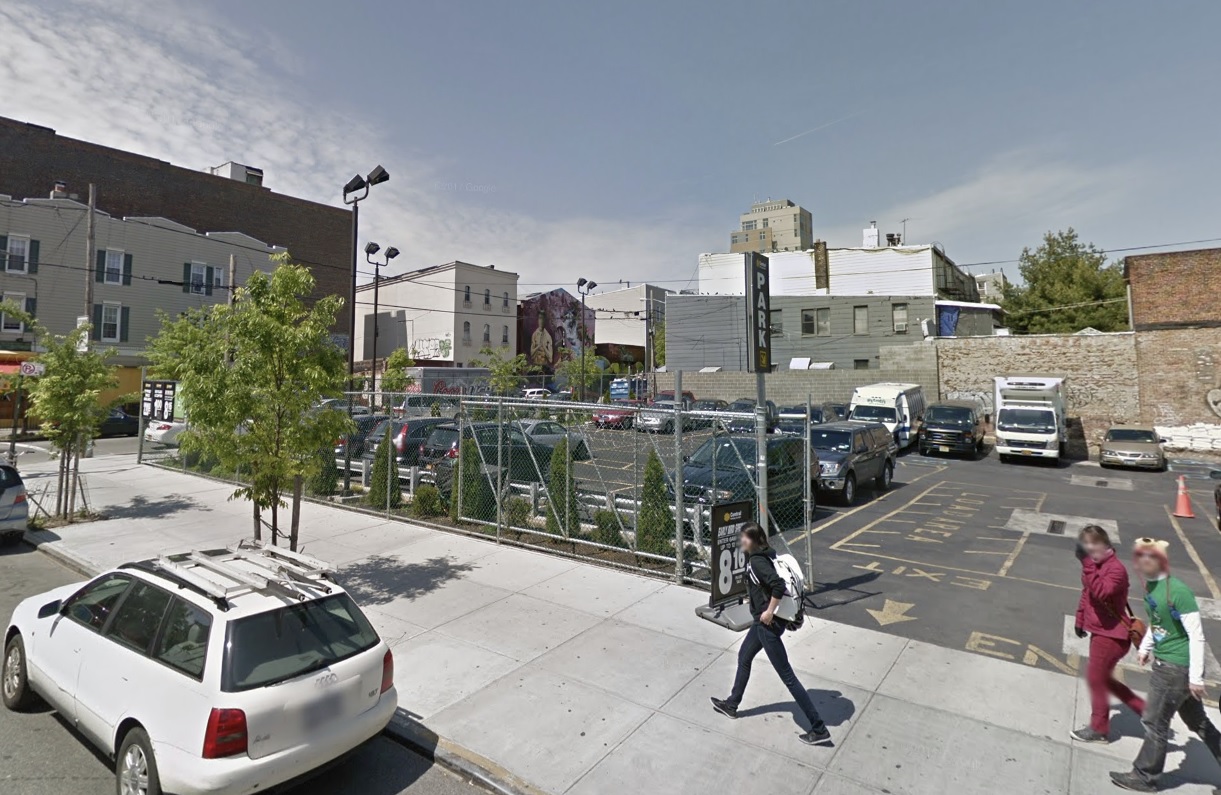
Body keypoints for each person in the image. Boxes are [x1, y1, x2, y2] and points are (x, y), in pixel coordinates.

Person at [1110, 538, 1221, 792]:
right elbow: (1158, 622)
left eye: (1150, 557)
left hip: (1174, 668)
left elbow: (1196, 635)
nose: (1142, 562)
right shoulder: (1152, 588)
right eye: (1140, 557)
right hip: (1171, 666)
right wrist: (1146, 647)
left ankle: (1144, 777)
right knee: (1198, 722)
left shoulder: (1178, 592)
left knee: (1154, 722)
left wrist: (1196, 677)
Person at [710, 522, 829, 745]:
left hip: (768, 626)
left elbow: (778, 586)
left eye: (745, 538)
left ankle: (819, 728)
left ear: (754, 540)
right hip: (763, 624)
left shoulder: (757, 561)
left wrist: (768, 611)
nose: (741, 541)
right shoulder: (768, 553)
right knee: (744, 656)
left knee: (788, 677)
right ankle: (732, 704)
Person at [1071, 525, 1146, 743]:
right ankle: (1146, 711)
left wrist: (1087, 564)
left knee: (1096, 679)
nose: (1089, 549)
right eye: (1086, 544)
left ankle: (1099, 728)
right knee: (1104, 679)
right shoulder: (1094, 566)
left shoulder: (1116, 569)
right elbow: (1087, 593)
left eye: (1094, 544)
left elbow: (1102, 592)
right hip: (1100, 631)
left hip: (1112, 635)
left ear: (1105, 544)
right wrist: (1080, 619)